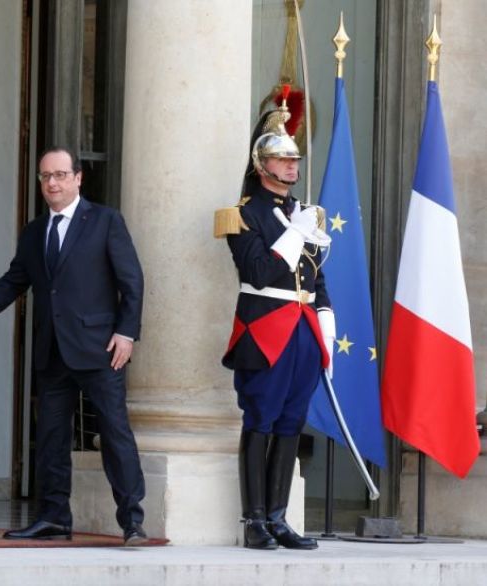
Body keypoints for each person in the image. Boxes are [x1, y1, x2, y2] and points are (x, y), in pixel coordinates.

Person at [0, 147, 148, 546]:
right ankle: (54, 518)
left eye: (60, 175)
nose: (52, 183)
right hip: (53, 350)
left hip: (101, 348)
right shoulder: (34, 232)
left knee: (114, 433)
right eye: (45, 177)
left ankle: (132, 521)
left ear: (78, 178)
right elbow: (13, 281)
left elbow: (133, 281)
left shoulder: (106, 221)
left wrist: (126, 333)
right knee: (52, 439)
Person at [218, 91, 335, 550]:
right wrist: (293, 236)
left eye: (294, 159)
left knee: (291, 422)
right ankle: (254, 521)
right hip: (265, 328)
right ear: (261, 164)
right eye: (280, 159)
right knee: (261, 419)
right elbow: (258, 272)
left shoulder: (303, 214)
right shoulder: (244, 215)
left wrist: (325, 317)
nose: (291, 166)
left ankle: (280, 518)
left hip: (303, 328)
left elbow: (314, 277)